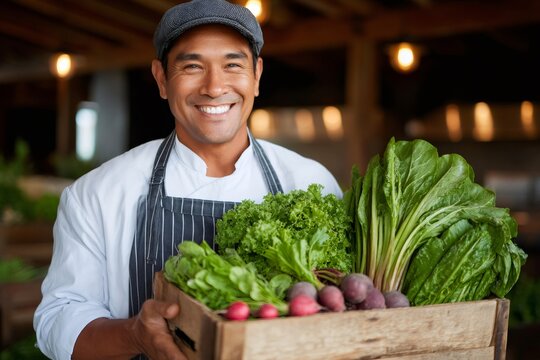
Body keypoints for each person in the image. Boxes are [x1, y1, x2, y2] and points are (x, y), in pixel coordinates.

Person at [34, 0, 343, 359]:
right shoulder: (97, 194)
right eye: (192, 66)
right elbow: (59, 322)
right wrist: (135, 335)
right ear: (162, 79)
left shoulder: (309, 182)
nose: (214, 87)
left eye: (232, 64)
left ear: (256, 75)